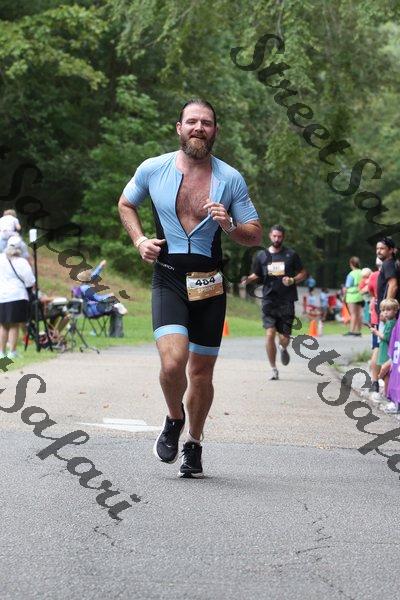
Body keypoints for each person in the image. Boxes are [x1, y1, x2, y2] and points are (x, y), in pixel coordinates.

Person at [118, 99, 262, 478]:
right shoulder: (153, 168)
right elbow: (126, 203)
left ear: (215, 131)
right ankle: (174, 417)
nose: (199, 128)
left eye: (207, 123)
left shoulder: (230, 179)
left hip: (209, 284)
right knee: (172, 363)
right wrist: (139, 240)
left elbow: (254, 234)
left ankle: (194, 443)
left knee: (200, 374)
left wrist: (229, 224)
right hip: (168, 277)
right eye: (192, 121)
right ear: (179, 127)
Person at [242, 225, 306, 381]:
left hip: (287, 300)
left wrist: (292, 280)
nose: (277, 239)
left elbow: (303, 273)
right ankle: (273, 369)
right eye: (274, 236)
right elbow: (257, 274)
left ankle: (283, 347)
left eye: (280, 236)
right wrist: (248, 279)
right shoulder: (261, 256)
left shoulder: (291, 255)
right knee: (270, 333)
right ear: (270, 236)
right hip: (269, 300)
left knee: (284, 337)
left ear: (283, 237)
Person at [0, 236, 35, 359]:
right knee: (14, 324)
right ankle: (12, 351)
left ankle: (1, 352)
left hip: (2, 296)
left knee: (3, 324)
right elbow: (30, 280)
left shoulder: (1, 259)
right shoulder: (21, 262)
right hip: (17, 295)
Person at [369, 298, 399, 412]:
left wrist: (376, 332)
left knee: (387, 375)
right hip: (385, 350)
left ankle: (387, 396)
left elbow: (386, 337)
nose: (385, 312)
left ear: (395, 310)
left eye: (388, 310)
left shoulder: (391, 323)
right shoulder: (389, 322)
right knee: (385, 374)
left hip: (387, 351)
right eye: (383, 310)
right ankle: (386, 394)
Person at [376, 237, 400, 309]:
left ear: (391, 250)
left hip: (389, 310)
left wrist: (386, 309)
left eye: (382, 249)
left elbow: (393, 286)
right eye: (377, 248)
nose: (378, 251)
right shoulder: (392, 263)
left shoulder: (388, 264)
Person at [343, 256, 363, 336]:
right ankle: (358, 331)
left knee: (353, 314)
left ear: (351, 264)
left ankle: (351, 331)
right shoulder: (362, 272)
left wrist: (344, 296)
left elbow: (347, 287)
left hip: (352, 295)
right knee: (359, 314)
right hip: (361, 295)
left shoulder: (351, 274)